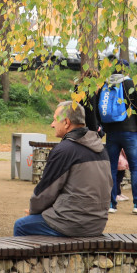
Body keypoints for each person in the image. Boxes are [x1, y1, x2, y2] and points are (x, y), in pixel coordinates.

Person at [13, 101, 111, 237]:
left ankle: (32, 259)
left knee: (22, 225)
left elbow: (45, 192)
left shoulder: (65, 150)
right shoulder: (101, 149)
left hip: (72, 223)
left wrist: (33, 211)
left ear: (66, 122)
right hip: (97, 223)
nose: (52, 125)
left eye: (54, 120)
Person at [96, 63, 137, 216]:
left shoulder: (106, 83)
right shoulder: (128, 82)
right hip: (130, 131)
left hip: (112, 132)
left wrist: (104, 126)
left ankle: (111, 203)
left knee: (111, 167)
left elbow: (101, 106)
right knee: (135, 168)